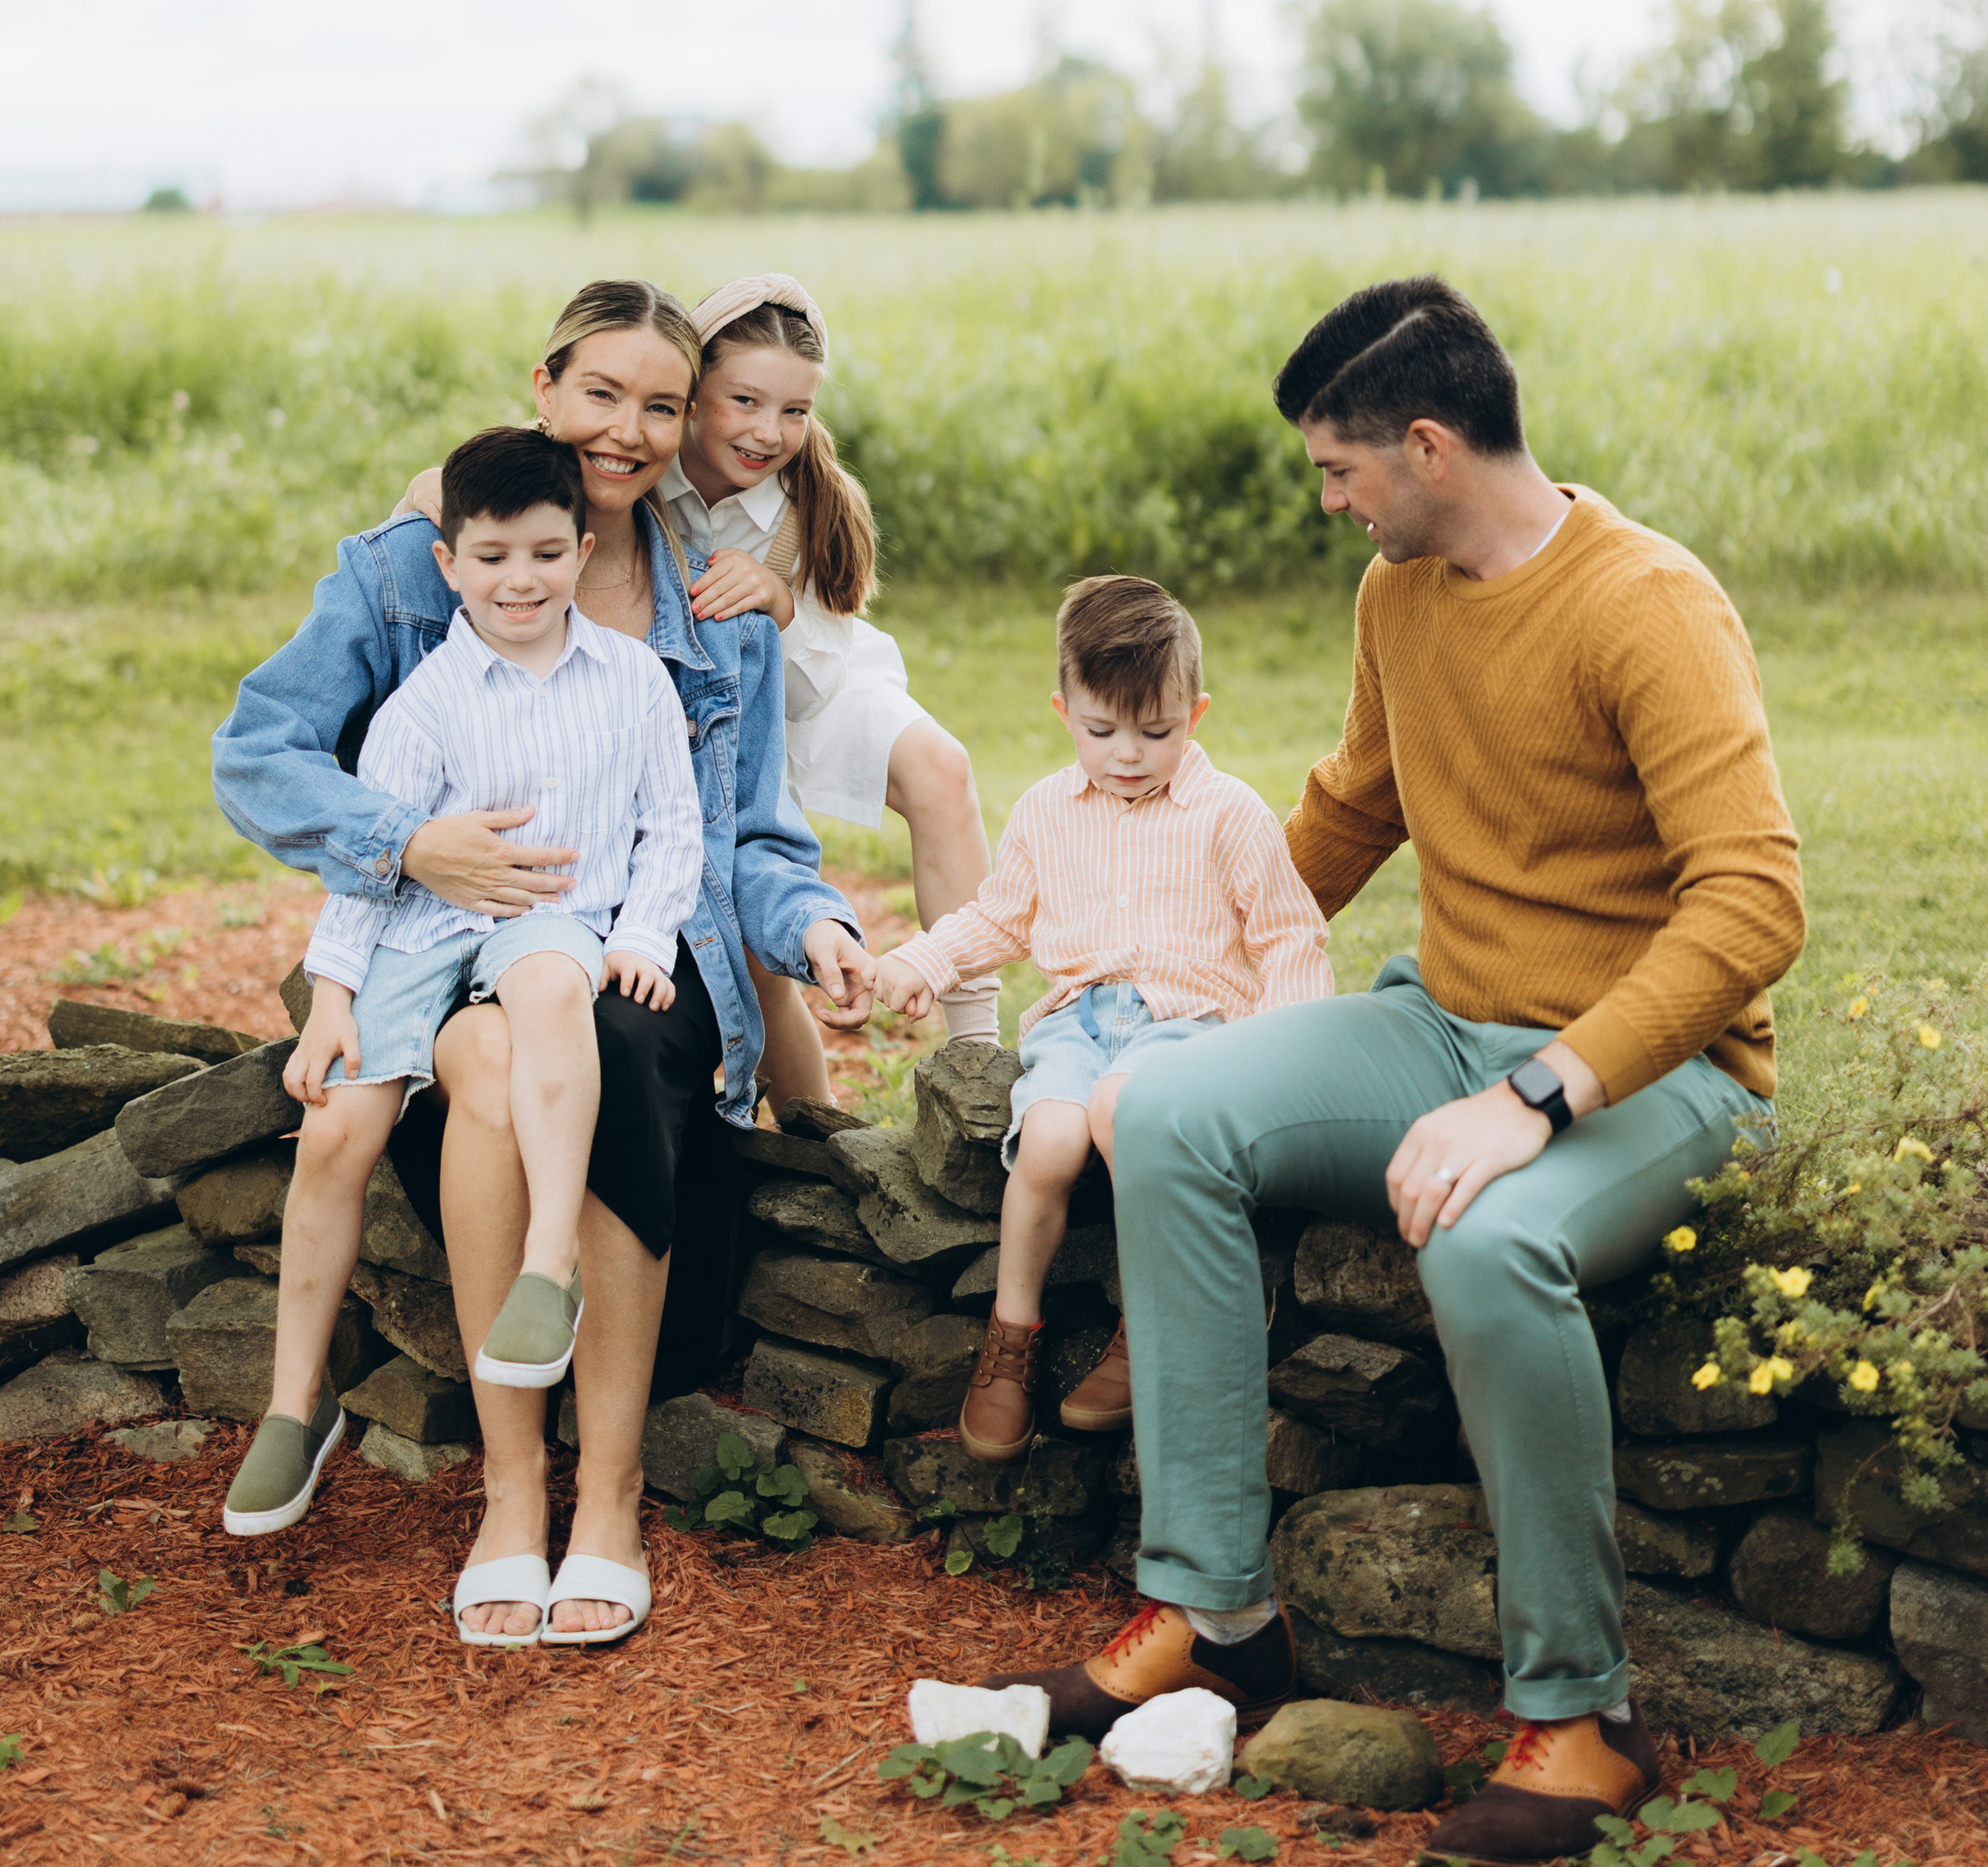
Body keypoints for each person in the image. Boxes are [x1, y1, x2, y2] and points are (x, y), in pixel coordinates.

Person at [991, 277, 1805, 1867]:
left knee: (1491, 1236)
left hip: (1657, 1072)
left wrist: (1539, 1094)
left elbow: (1755, 899)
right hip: (1436, 1020)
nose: (1329, 500)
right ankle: (1214, 1615)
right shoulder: (1402, 600)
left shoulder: (1650, 603)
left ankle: (1583, 1719)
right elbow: (1354, 812)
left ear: (1427, 447)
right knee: (1164, 1105)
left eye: (1337, 470)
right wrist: (1179, 963)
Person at [213, 277, 876, 1649]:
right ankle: (515, 1495)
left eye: (661, 405)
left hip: (636, 948)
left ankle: (606, 1496)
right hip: (438, 937)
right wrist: (414, 845)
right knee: (498, 1045)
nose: (626, 430)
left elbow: (741, 839)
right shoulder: (419, 560)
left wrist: (816, 925)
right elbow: (257, 757)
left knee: (588, 1046)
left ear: (689, 423)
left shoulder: (715, 609)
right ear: (545, 386)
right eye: (601, 394)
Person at [220, 424, 704, 1560]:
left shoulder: (632, 680)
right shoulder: (426, 702)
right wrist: (333, 994)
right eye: (491, 559)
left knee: (545, 992)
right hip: (417, 931)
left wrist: (644, 934)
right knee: (334, 1124)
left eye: (543, 554)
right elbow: (369, 867)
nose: (519, 580)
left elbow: (672, 829)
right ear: (449, 565)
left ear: (581, 551)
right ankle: (297, 1405)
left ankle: (548, 1270)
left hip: (554, 918)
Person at [872, 574, 1332, 1458]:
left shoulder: (1229, 814)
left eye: (1155, 732)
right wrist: (917, 962)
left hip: (1187, 1022)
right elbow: (997, 917)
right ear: (1062, 709)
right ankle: (1011, 1340)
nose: (1127, 753)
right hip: (1075, 1022)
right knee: (1047, 1142)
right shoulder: (1047, 811)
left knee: (1124, 1114)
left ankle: (1146, 1326)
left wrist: (1282, 1055)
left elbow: (1288, 938)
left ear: (1194, 713)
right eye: (1100, 730)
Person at [663, 270, 1000, 1097]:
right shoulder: (641, 461)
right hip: (694, 706)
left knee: (941, 767)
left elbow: (820, 666)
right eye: (743, 400)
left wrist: (778, 601)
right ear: (693, 389)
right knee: (757, 951)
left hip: (811, 678)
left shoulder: (802, 501)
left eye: (795, 411)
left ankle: (979, 1051)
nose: (768, 431)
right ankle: (807, 1124)